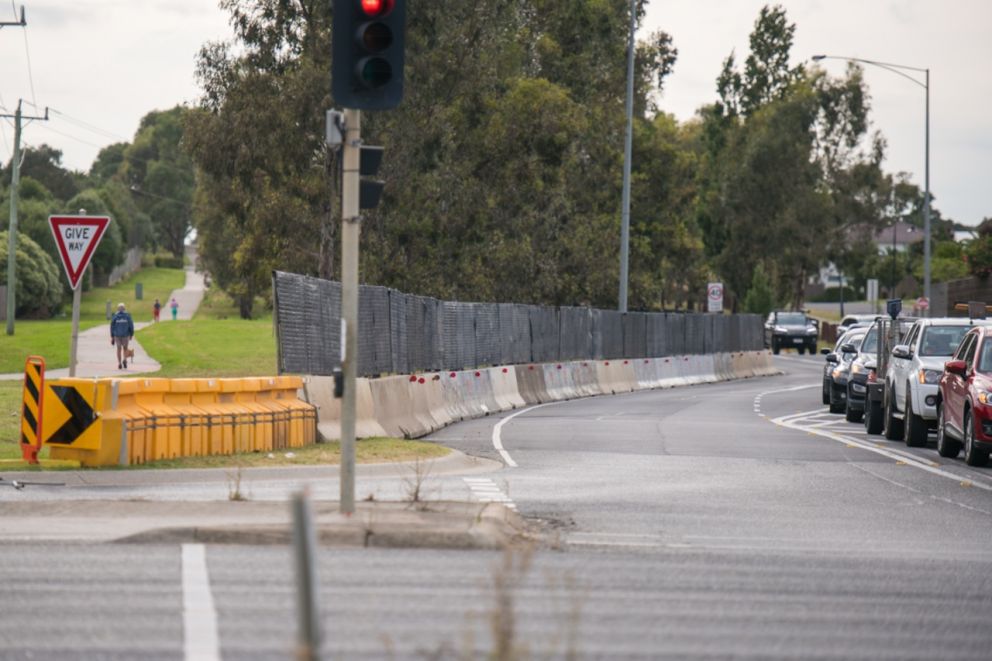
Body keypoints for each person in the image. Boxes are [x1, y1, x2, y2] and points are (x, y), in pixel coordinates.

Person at [110, 303, 135, 369]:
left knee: (118, 349)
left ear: (118, 309)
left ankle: (119, 363)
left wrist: (112, 336)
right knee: (125, 348)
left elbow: (112, 326)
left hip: (117, 335)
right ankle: (124, 359)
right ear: (124, 308)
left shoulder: (115, 316)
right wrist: (131, 334)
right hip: (125, 335)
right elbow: (131, 325)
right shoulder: (127, 316)